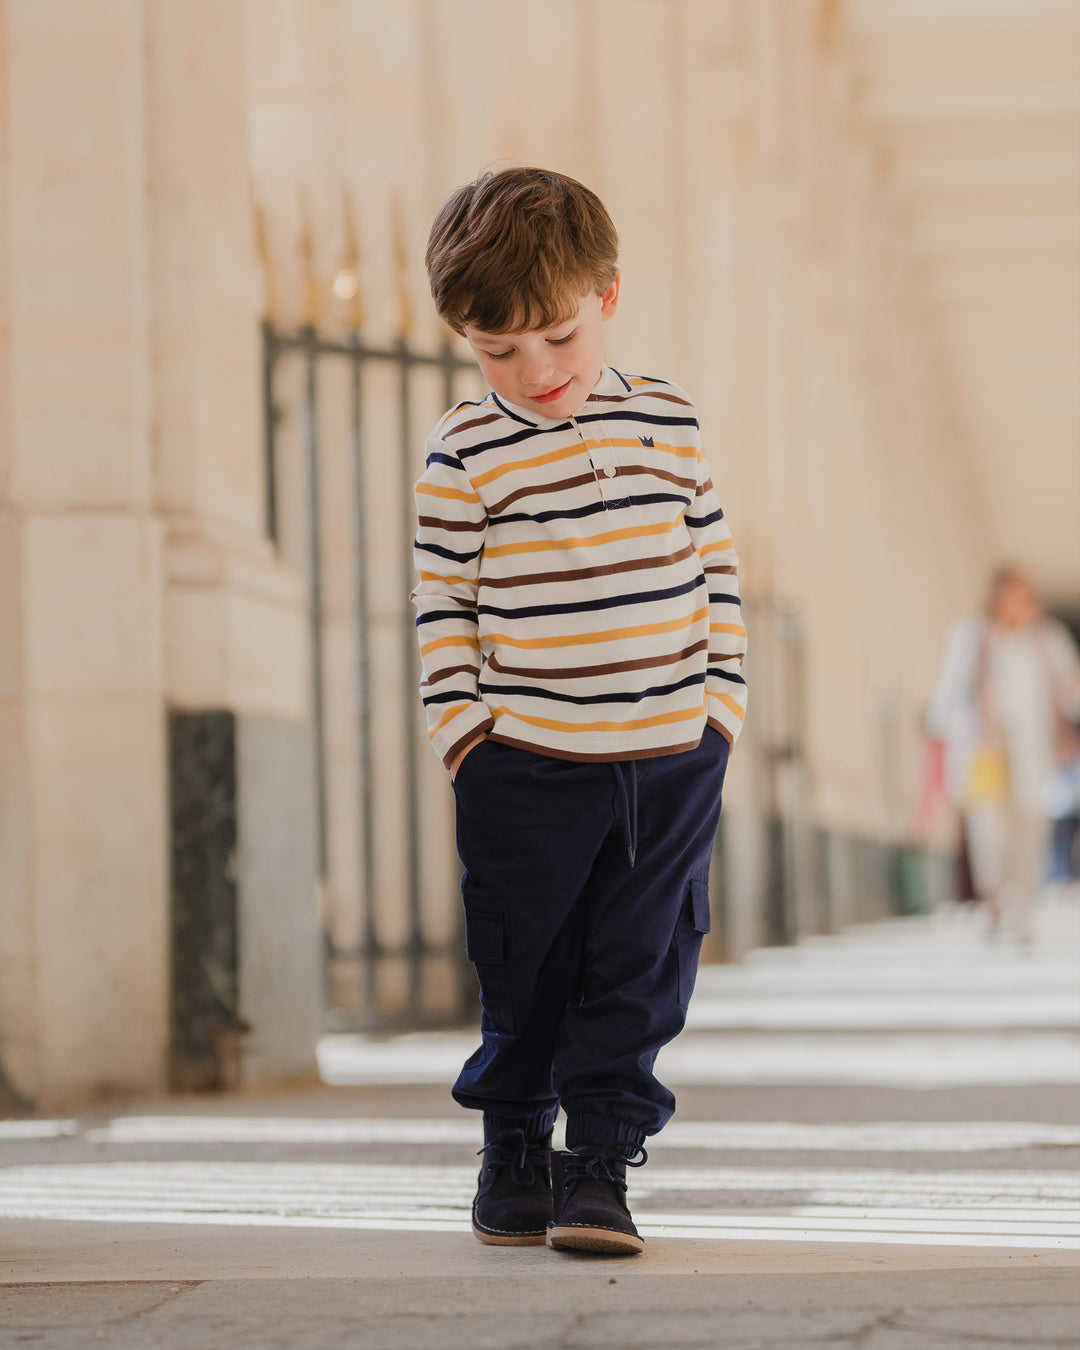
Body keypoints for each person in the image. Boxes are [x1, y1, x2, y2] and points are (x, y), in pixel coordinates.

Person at [410, 168, 747, 1255]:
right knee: (527, 960)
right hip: (529, 762)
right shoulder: (465, 450)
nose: (534, 371)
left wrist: (721, 710)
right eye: (497, 350)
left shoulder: (671, 421)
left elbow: (716, 571)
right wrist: (467, 739)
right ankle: (513, 1143)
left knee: (641, 962)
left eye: (554, 336)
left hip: (669, 758)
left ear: (607, 295)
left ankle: (599, 1163)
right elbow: (443, 603)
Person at [926, 568, 1080, 943]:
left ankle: (1021, 909)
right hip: (985, 751)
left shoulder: (1047, 640)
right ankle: (995, 901)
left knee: (1029, 830)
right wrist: (939, 730)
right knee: (988, 831)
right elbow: (950, 687)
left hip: (1032, 752)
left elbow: (1071, 690)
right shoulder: (972, 636)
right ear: (997, 597)